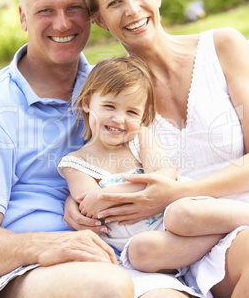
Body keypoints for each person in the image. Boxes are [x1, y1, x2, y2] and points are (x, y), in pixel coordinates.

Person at [64, 0, 249, 298]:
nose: (132, 10)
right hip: (185, 241)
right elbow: (99, 156)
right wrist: (79, 198)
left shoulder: (224, 46)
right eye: (114, 2)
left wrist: (182, 191)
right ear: (98, 19)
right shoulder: (113, 91)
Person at [0, 0, 135, 298]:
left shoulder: (107, 89)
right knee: (104, 292)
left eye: (74, 8)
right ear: (22, 18)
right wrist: (43, 245)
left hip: (113, 255)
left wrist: (82, 193)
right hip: (23, 275)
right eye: (45, 11)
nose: (62, 23)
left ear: (91, 14)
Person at [60, 54, 249, 275]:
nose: (119, 118)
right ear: (87, 103)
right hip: (150, 241)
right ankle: (219, 234)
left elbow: (163, 174)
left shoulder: (140, 137)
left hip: (175, 211)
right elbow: (93, 205)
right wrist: (144, 187)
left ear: (143, 116)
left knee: (179, 214)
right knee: (139, 253)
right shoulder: (75, 163)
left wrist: (110, 193)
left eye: (131, 112)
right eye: (109, 106)